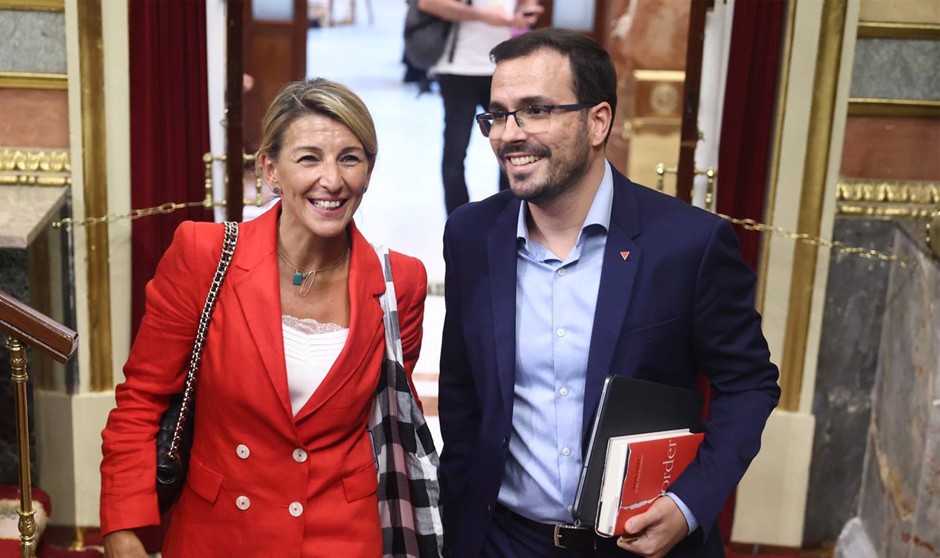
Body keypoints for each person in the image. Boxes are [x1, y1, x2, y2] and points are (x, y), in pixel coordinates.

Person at [438, 28, 781, 557]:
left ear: (597, 121)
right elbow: (463, 393)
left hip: (640, 545)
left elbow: (750, 384)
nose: (509, 134)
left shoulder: (687, 245)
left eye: (534, 110)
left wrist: (690, 504)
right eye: (498, 114)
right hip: (503, 540)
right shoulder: (470, 236)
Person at [100, 78, 429, 557]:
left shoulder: (402, 281)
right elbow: (141, 401)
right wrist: (122, 527)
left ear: (369, 171)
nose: (332, 180)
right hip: (218, 532)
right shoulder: (203, 255)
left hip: (342, 536)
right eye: (309, 157)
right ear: (270, 170)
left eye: (350, 158)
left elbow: (383, 417)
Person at [416, 0, 542, 215]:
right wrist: (484, 16)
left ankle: (512, 215)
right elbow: (428, 4)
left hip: (501, 68)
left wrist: (524, 13)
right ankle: (459, 221)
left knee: (513, 144)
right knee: (455, 151)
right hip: (457, 69)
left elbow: (525, 4)